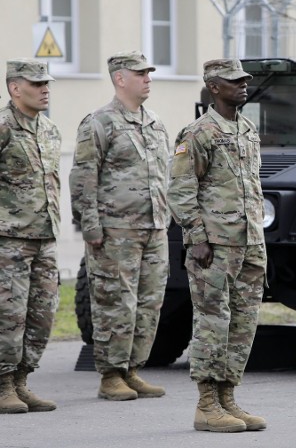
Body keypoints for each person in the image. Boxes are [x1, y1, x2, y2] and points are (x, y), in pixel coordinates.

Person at [167, 59, 267, 433]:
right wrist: (195, 236)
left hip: (250, 242)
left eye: (244, 81)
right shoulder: (198, 133)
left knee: (242, 323)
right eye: (233, 82)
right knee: (212, 321)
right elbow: (181, 189)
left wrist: (257, 234)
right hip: (215, 245)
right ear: (214, 87)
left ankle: (228, 398)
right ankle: (206, 404)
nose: (243, 86)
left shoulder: (247, 128)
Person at [70, 51, 170, 401]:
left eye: (149, 73)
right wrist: (91, 227)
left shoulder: (154, 121)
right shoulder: (99, 122)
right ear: (120, 78)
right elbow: (84, 178)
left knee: (149, 302)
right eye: (140, 73)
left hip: (154, 228)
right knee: (115, 302)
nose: (148, 79)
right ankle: (110, 374)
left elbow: (164, 175)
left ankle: (133, 369)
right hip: (116, 230)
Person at [0, 59, 61, 414]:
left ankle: (22, 380)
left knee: (42, 314)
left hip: (45, 238)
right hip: (9, 240)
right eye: (36, 84)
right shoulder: (4, 126)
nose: (45, 89)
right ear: (14, 88)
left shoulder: (50, 130)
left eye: (46, 84)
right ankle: (3, 383)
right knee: (9, 315)